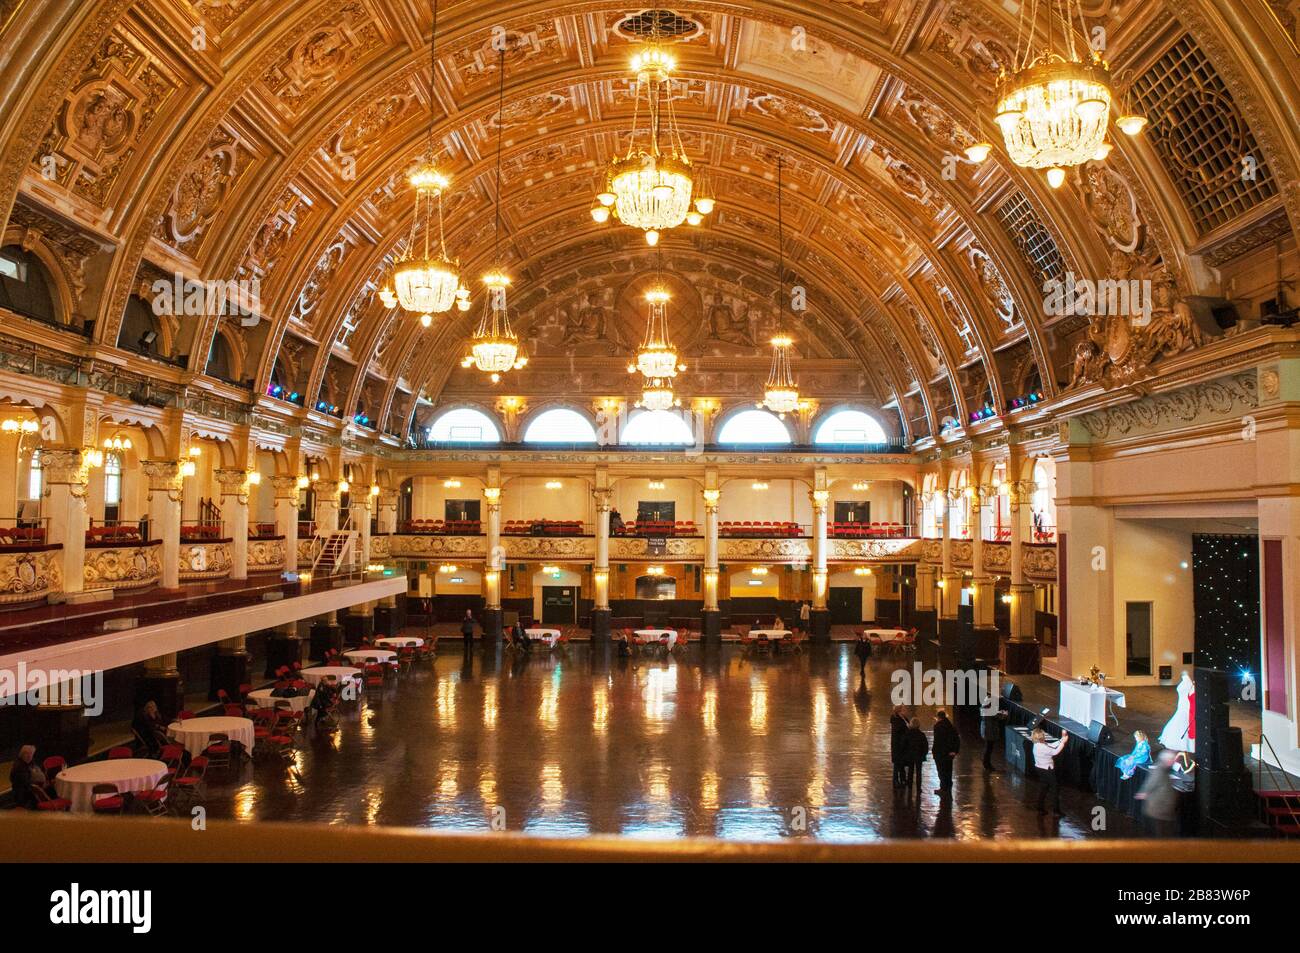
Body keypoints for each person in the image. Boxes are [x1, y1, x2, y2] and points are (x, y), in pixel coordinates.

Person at [1135, 750, 1179, 836]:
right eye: (1172, 760)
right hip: (1159, 808)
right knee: (1162, 832)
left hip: (1161, 809)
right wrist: (1144, 792)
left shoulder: (1164, 770)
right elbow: (1151, 783)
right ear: (1167, 760)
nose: (1174, 761)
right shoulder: (1159, 771)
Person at [1031, 726, 1069, 815]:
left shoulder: (1037, 744)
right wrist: (1063, 743)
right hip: (1047, 770)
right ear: (1040, 737)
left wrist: (1060, 740)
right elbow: (1054, 752)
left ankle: (1040, 807)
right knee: (1055, 788)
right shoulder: (1042, 747)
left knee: (1044, 787)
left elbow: (1050, 745)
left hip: (1039, 768)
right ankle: (1056, 810)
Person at [931, 710, 960, 798]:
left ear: (938, 717)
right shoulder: (951, 726)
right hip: (949, 753)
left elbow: (937, 741)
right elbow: (957, 740)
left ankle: (943, 789)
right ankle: (948, 787)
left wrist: (934, 752)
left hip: (940, 753)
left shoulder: (937, 726)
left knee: (941, 771)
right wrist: (955, 751)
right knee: (948, 770)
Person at [980, 695, 1008, 771]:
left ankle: (986, 763)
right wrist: (1004, 714)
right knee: (989, 748)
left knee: (988, 748)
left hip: (986, 731)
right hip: (990, 732)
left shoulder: (984, 708)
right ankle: (987, 764)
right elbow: (999, 717)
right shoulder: (990, 711)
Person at [903, 717, 929, 795]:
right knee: (919, 772)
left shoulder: (907, 734)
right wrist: (924, 754)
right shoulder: (921, 735)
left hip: (910, 755)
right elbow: (925, 746)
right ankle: (918, 788)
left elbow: (903, 745)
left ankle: (910, 786)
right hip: (919, 756)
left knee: (910, 771)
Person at [9, 745, 40, 809]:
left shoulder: (27, 762)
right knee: (49, 790)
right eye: (27, 754)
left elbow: (36, 769)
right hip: (22, 794)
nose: (30, 756)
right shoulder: (19, 767)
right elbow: (26, 783)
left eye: (31, 754)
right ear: (22, 754)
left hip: (27, 789)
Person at [890, 706, 910, 788]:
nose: (906, 711)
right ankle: (896, 780)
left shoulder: (903, 718)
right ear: (900, 711)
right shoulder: (896, 720)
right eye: (904, 710)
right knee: (897, 763)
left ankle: (903, 779)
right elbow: (899, 731)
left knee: (901, 762)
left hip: (903, 745)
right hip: (898, 745)